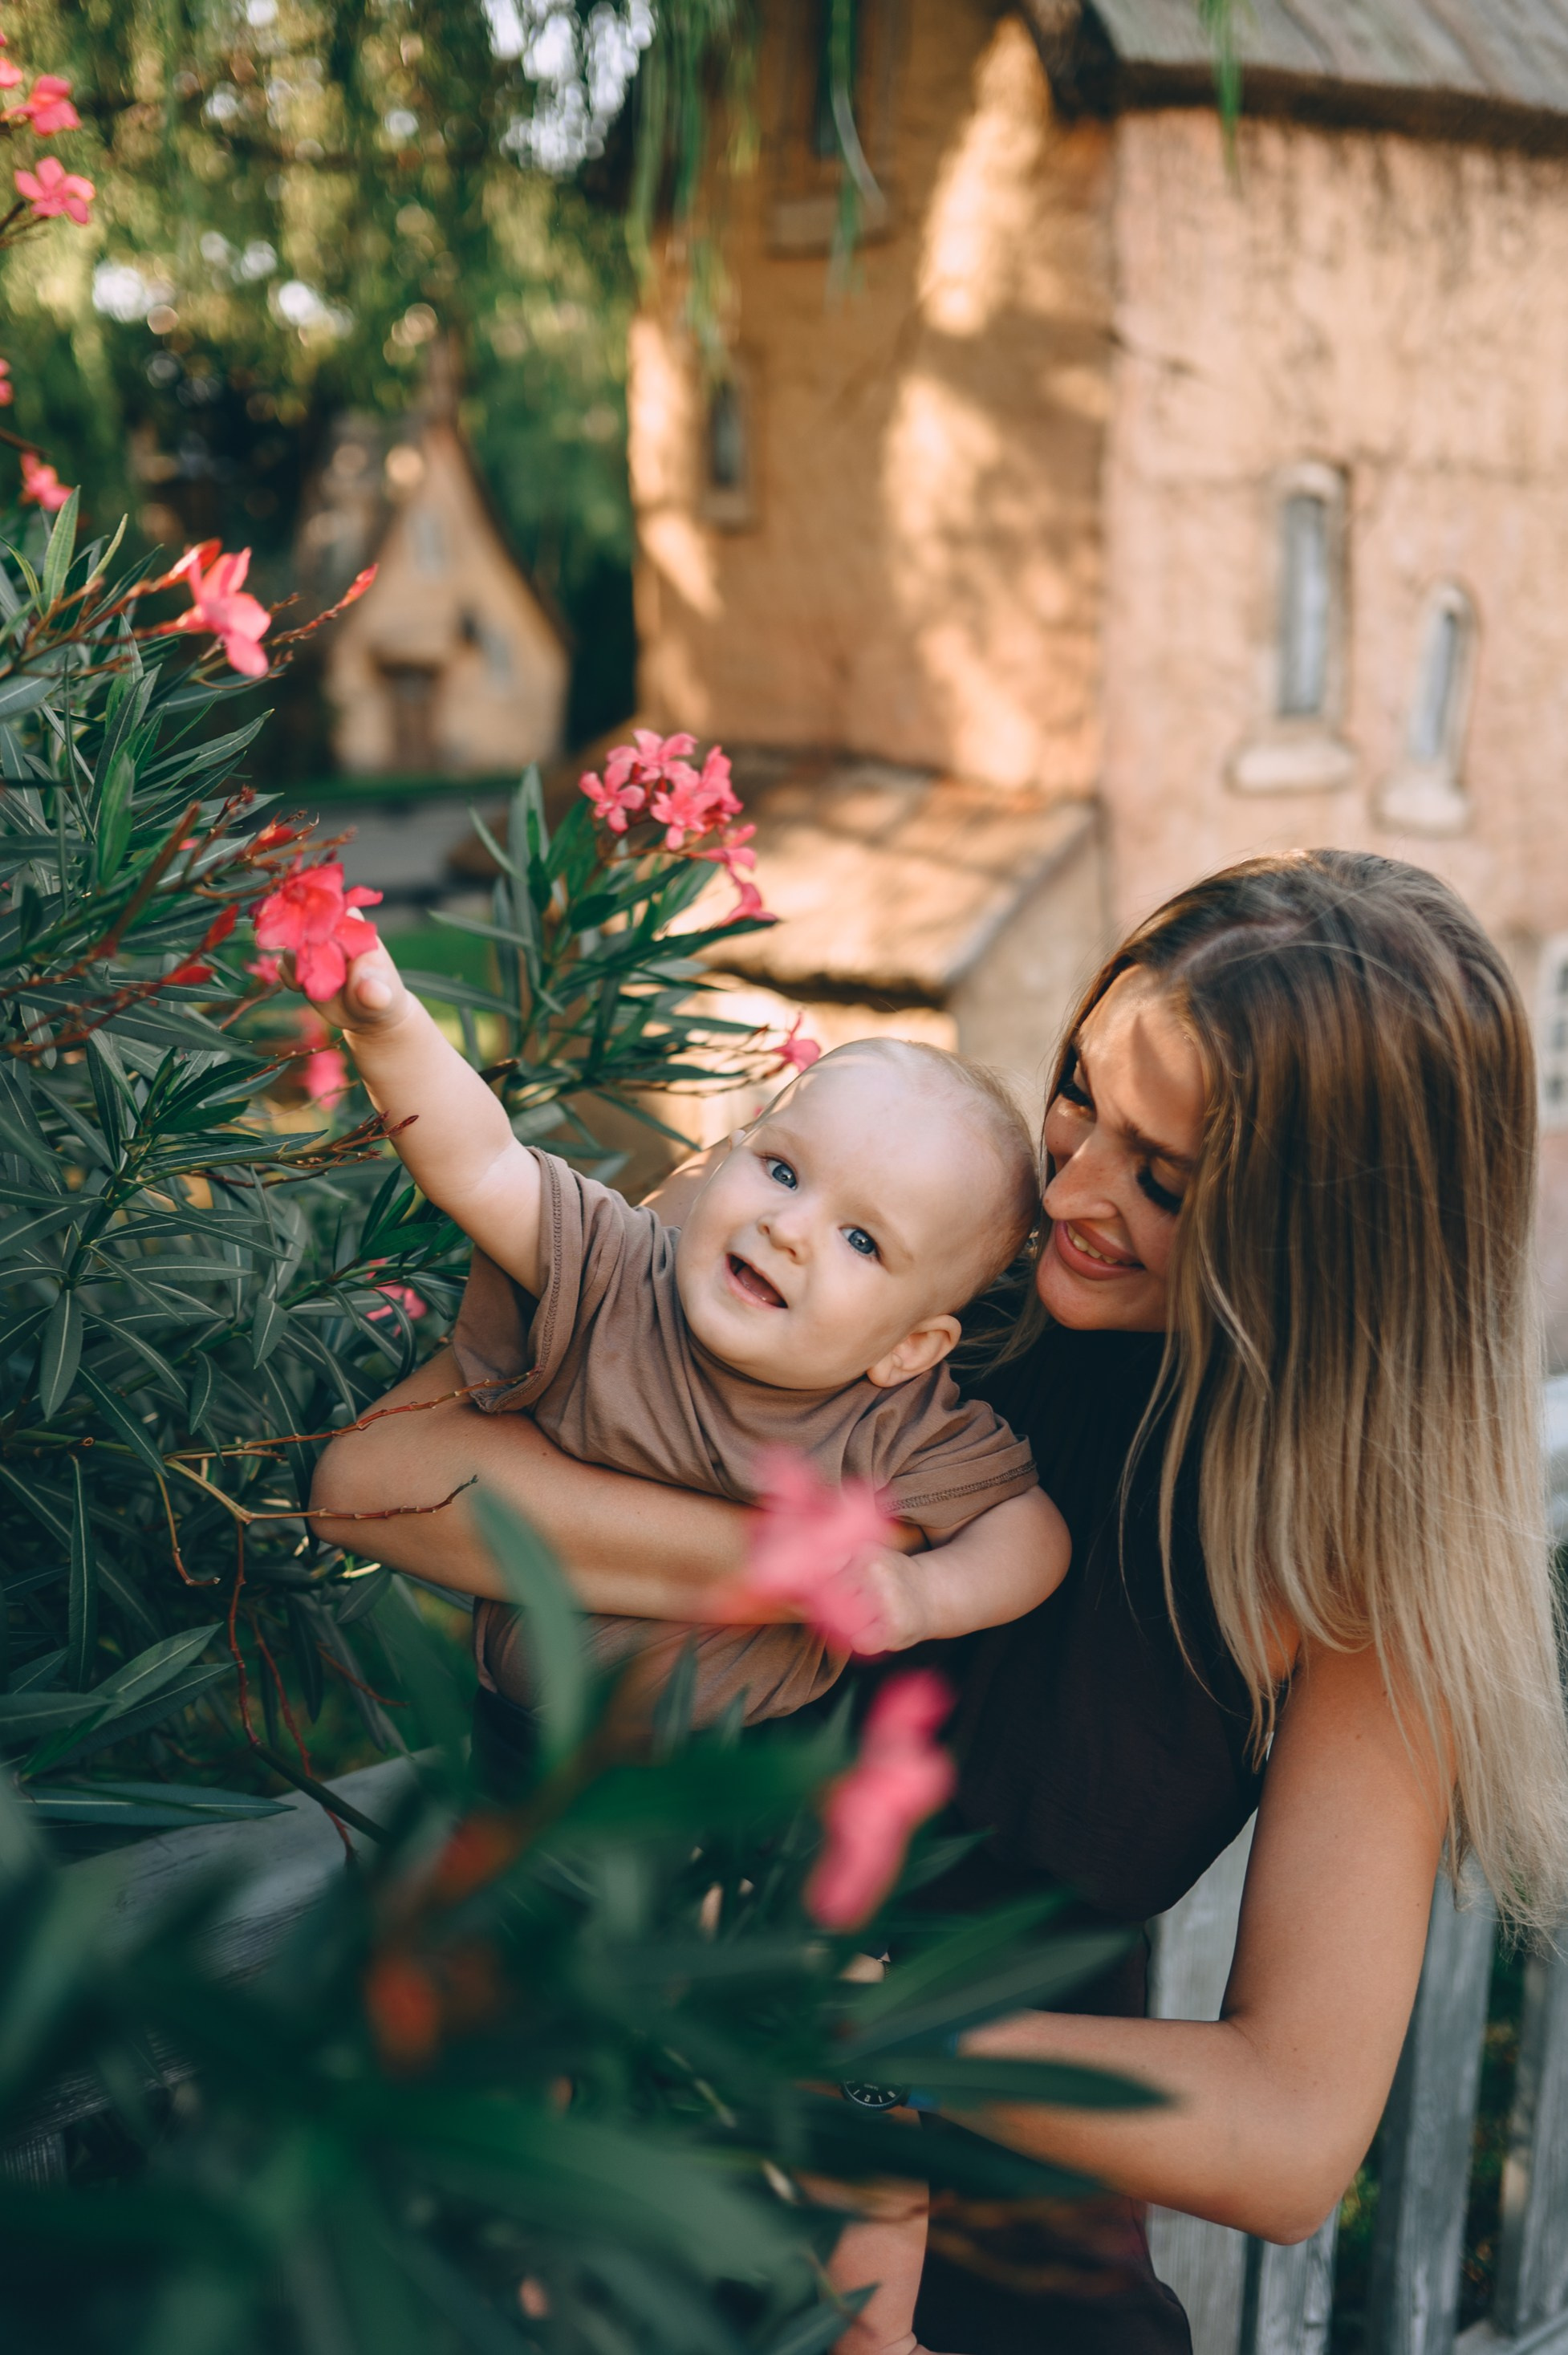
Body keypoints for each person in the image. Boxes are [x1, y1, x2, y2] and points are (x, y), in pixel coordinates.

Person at [311, 850, 1568, 2355]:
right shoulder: (890, 1224)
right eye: (1080, 1094)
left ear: (1327, 1246)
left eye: (1163, 1181)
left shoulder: (1357, 1564)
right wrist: (810, 1569)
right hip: (603, 2207)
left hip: (980, 2277)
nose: (1074, 1190)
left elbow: (1286, 2135)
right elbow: (376, 1482)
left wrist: (851, 2044)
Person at [297, 935, 1067, 1740]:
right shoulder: (621, 1273)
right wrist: (388, 1030)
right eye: (782, 1170)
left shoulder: (894, 1422)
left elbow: (1028, 1531)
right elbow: (484, 1165)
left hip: (724, 1777)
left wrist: (926, 1596)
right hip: (509, 1734)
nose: (790, 1227)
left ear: (909, 1346)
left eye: (863, 1241)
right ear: (722, 1158)